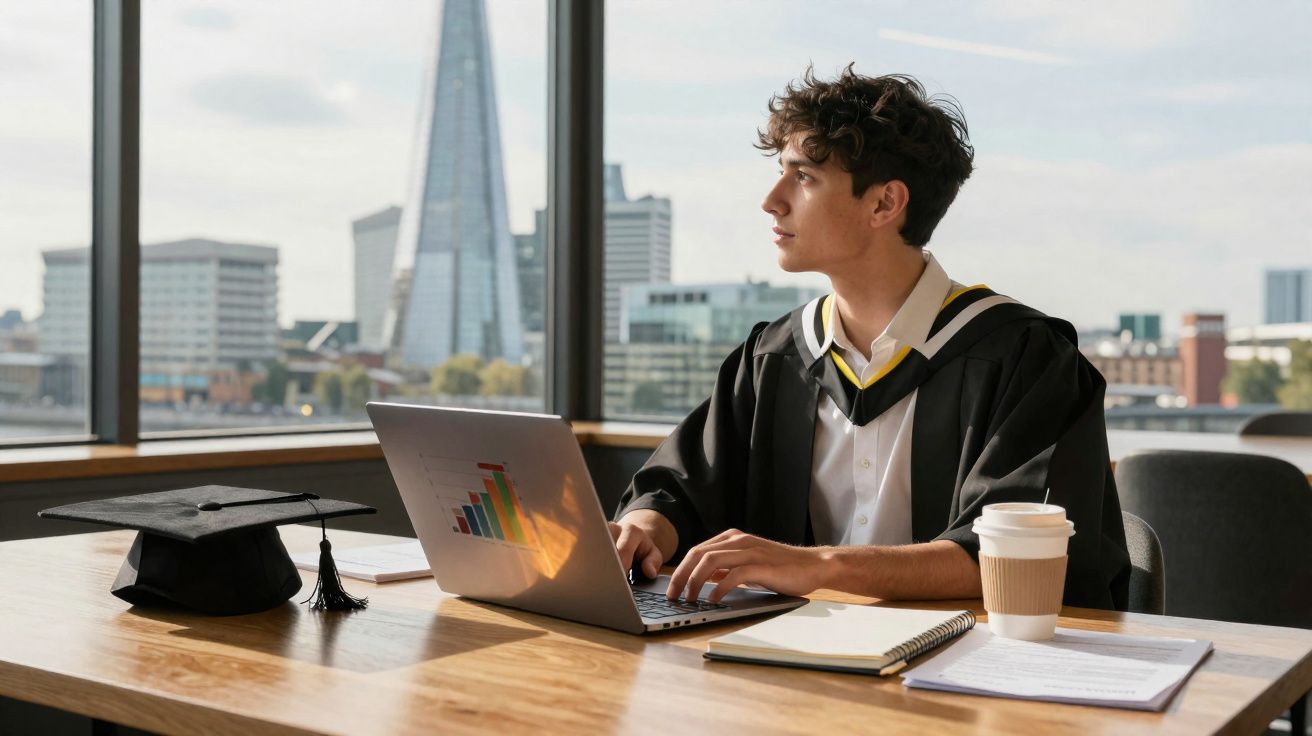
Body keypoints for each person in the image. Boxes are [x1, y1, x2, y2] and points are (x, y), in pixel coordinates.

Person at [608, 64, 1130, 611]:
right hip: (785, 665)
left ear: (885, 203)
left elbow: (1010, 555)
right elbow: (681, 489)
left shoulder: (1025, 358)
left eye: (804, 176)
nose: (772, 200)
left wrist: (817, 566)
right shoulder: (774, 358)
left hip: (963, 671)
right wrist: (644, 528)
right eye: (780, 171)